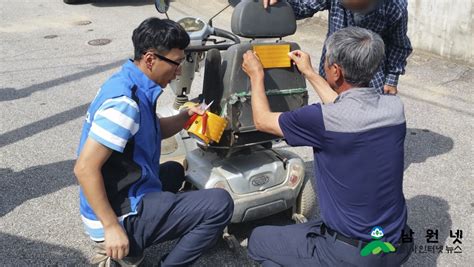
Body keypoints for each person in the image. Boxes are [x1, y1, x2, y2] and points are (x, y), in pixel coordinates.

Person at [242, 26, 413, 266]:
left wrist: (256, 75)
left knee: (259, 240)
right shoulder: (394, 109)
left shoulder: (319, 120)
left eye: (328, 62)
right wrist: (310, 73)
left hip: (353, 255)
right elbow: (346, 108)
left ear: (335, 70)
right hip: (396, 242)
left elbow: (262, 120)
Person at [74, 18, 234, 266]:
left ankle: (139, 242)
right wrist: (111, 227)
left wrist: (185, 117)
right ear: (150, 59)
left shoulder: (132, 81)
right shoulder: (124, 103)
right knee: (220, 204)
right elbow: (84, 169)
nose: (179, 71)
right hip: (119, 216)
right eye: (176, 63)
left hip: (122, 192)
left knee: (174, 171)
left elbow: (152, 129)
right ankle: (126, 247)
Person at [263, 0, 412, 95]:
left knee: (365, 122)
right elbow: (303, 6)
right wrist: (281, 3)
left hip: (371, 75)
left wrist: (391, 79)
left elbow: (399, 45)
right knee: (331, 118)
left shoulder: (394, 6)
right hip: (331, 70)